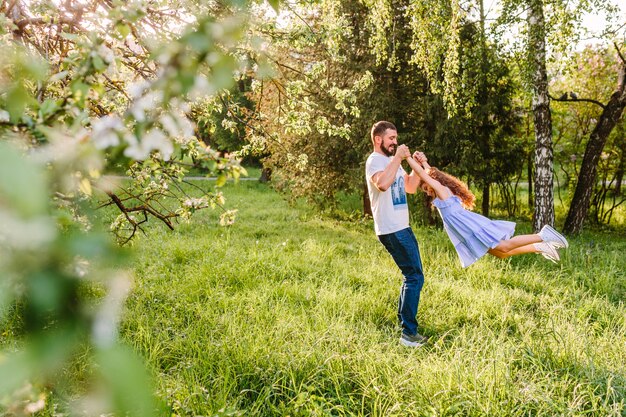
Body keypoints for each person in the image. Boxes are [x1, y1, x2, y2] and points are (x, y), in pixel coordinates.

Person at [408, 151, 569, 268]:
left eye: (426, 187)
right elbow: (429, 173)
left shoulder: (442, 190)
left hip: (470, 226)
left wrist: (407, 157)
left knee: (504, 246)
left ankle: (543, 235)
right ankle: (539, 246)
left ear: (432, 182)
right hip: (466, 229)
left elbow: (426, 174)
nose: (427, 191)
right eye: (424, 190)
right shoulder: (439, 191)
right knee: (501, 253)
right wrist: (424, 161)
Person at [365, 121, 428, 348]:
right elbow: (382, 184)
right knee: (414, 277)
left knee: (412, 276)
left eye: (396, 137)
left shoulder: (393, 162)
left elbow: (410, 187)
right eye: (391, 138)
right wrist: (398, 158)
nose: (395, 142)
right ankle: (408, 334)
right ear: (378, 139)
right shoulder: (375, 161)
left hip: (403, 226)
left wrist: (416, 167)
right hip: (391, 228)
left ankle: (406, 329)